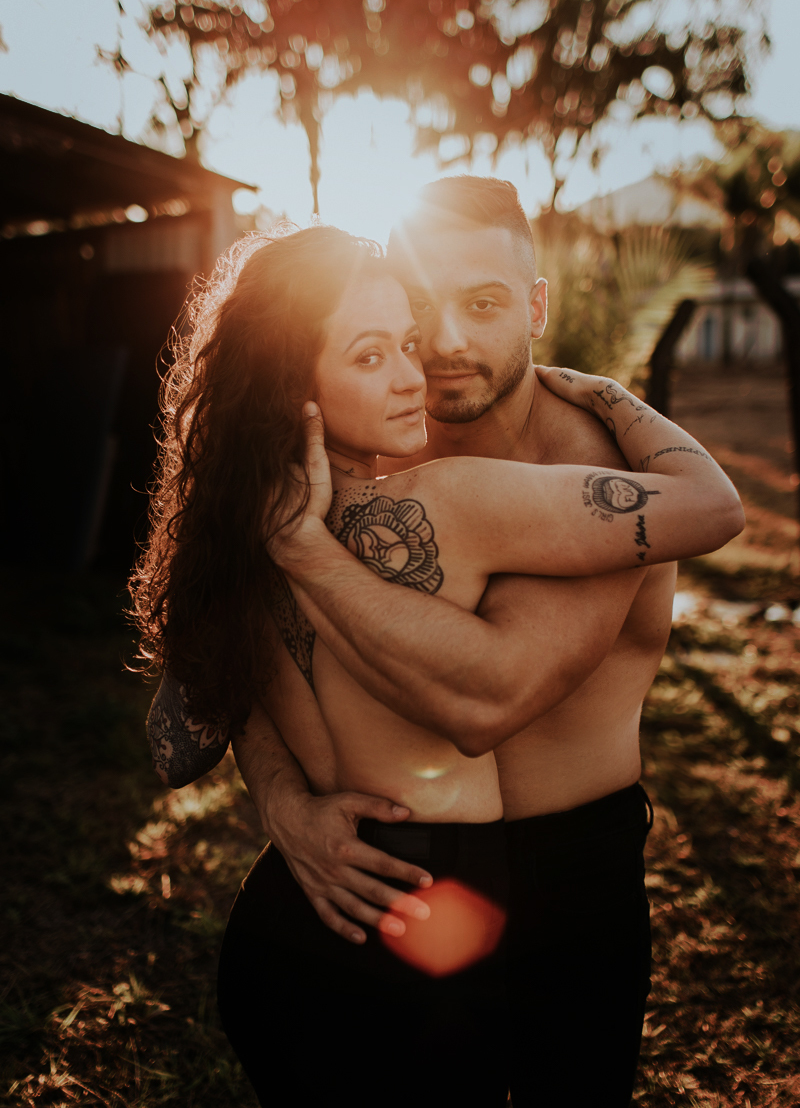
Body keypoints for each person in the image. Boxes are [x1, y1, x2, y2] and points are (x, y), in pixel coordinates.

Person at [136, 210, 743, 1108]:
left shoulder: (235, 527)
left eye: (407, 345)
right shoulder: (448, 500)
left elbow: (176, 745)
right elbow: (714, 506)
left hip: (289, 928)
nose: (417, 372)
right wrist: (607, 394)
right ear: (294, 384)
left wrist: (284, 797)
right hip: (424, 930)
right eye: (370, 355)